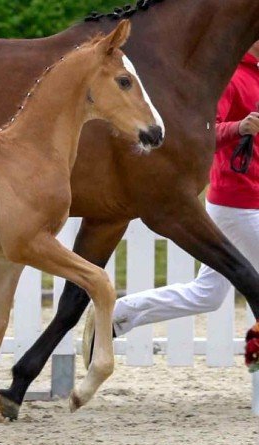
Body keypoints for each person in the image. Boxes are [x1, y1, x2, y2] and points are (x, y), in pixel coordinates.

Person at [83, 41, 259, 371]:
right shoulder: (233, 79)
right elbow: (205, 133)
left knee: (206, 294)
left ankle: (120, 314)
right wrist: (240, 127)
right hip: (239, 203)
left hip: (247, 202)